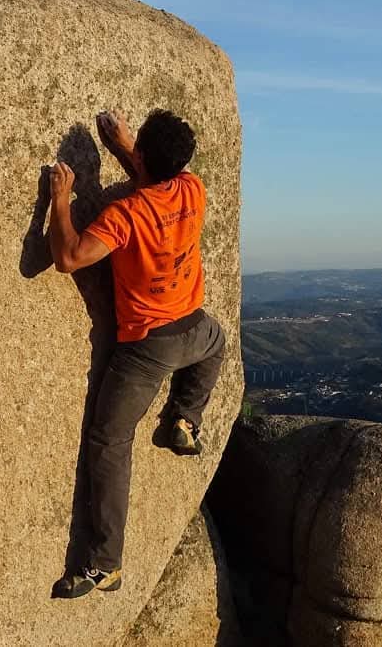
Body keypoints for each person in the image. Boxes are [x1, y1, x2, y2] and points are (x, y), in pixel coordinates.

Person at [47, 108, 225, 599]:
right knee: (220, 343)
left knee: (108, 441)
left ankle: (105, 564)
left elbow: (69, 258)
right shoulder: (193, 190)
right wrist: (128, 149)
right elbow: (155, 180)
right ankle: (186, 420)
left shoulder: (125, 215)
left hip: (146, 347)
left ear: (143, 156)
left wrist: (60, 200)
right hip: (194, 329)